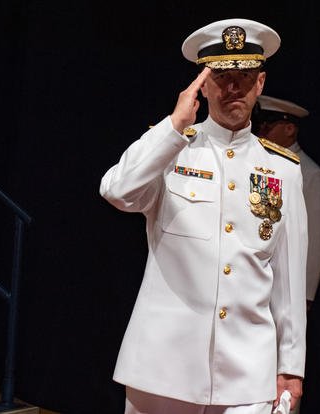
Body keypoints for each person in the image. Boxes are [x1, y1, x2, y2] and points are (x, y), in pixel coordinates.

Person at [99, 18, 308, 414]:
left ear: (260, 83)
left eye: (245, 76)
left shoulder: (283, 169)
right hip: (163, 366)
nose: (234, 87)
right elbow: (117, 191)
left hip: (248, 372)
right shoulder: (172, 148)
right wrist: (175, 125)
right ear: (203, 83)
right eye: (223, 75)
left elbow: (289, 277)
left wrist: (291, 366)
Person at [252, 95, 320, 311]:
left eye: (267, 127)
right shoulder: (255, 165)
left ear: (289, 129)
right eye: (259, 126)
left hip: (285, 284)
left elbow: (318, 239)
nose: (260, 133)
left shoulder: (310, 174)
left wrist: (305, 293)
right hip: (252, 279)